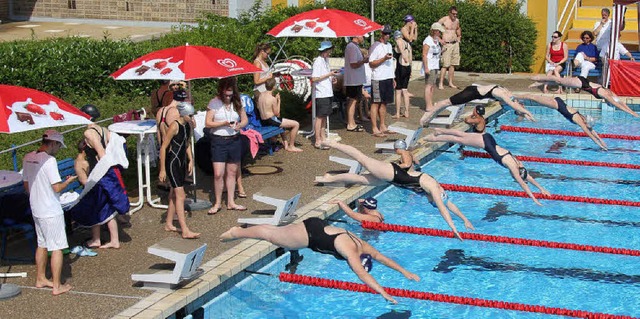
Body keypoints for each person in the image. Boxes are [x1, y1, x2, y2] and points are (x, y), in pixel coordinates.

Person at [219, 217, 420, 304]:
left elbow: (382, 258)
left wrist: (405, 272)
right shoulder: (351, 251)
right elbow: (362, 274)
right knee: (272, 236)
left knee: (279, 234)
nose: (354, 266)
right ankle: (239, 232)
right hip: (309, 235)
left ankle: (247, 230)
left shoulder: (363, 247)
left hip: (316, 228)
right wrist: (383, 292)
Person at [315, 140, 474, 240]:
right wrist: (453, 228)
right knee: (361, 157)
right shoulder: (433, 188)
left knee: (360, 179)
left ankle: (328, 179)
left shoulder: (437, 191)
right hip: (392, 173)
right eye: (433, 202)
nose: (430, 202)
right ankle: (330, 143)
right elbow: (442, 209)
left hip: (392, 179)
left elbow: (449, 205)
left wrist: (465, 220)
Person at [425, 128, 550, 206]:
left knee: (461, 134)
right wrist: (534, 199)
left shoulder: (518, 163)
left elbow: (528, 177)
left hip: (488, 138)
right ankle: (430, 138)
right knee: (459, 140)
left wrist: (541, 188)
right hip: (484, 143)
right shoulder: (513, 167)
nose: (514, 177)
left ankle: (439, 130)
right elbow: (523, 184)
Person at [22, 130, 76, 295]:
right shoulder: (50, 161)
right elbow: (56, 187)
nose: (59, 149)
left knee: (42, 243)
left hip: (36, 207)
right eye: (59, 145)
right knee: (57, 247)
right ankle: (57, 286)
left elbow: (26, 185)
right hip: (50, 209)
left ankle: (40, 278)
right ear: (53, 143)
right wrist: (68, 181)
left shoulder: (28, 157)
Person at [205, 76, 249, 214]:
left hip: (234, 139)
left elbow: (245, 119)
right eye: (226, 93)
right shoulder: (214, 103)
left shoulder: (237, 102)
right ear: (221, 91)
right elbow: (208, 123)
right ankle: (217, 202)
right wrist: (223, 123)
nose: (228, 96)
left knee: (232, 171)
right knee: (218, 173)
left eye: (230, 93)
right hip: (219, 140)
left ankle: (231, 201)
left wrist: (239, 125)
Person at [159, 102, 200, 239]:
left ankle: (169, 224)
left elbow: (186, 143)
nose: (192, 117)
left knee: (174, 195)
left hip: (181, 162)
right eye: (190, 115)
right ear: (183, 114)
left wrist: (191, 159)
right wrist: (162, 169)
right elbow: (164, 147)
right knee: (181, 196)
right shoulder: (174, 126)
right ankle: (185, 230)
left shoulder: (187, 126)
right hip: (172, 163)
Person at [515, 94, 607, 150]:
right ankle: (513, 96)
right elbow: (589, 133)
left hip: (559, 103)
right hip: (557, 104)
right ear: (586, 122)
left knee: (533, 98)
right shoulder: (579, 120)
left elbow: (591, 130)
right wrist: (598, 143)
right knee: (532, 97)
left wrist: (601, 140)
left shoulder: (582, 118)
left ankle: (518, 104)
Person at [419, 84, 535, 127]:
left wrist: (525, 114)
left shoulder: (508, 94)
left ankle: (430, 115)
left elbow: (515, 105)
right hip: (471, 94)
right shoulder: (504, 95)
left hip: (475, 91)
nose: (520, 105)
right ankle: (427, 114)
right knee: (446, 103)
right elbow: (514, 105)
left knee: (446, 104)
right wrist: (527, 112)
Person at [529, 75, 639, 118]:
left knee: (559, 82)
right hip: (582, 83)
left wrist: (633, 112)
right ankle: (534, 78)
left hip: (583, 82)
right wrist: (631, 113)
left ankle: (539, 82)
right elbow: (617, 104)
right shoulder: (606, 95)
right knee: (558, 80)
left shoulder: (610, 92)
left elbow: (621, 102)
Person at [258, 78, 303, 152]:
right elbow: (277, 113)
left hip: (263, 120)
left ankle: (285, 144)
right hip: (271, 120)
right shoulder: (272, 99)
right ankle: (291, 146)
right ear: (274, 87)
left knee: (282, 122)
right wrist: (278, 100)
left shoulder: (261, 95)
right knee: (296, 124)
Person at [311, 40, 340, 149]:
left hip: (327, 91)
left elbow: (325, 75)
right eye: (329, 51)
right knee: (319, 117)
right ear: (324, 51)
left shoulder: (325, 60)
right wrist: (329, 74)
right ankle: (317, 139)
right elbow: (314, 78)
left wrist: (332, 78)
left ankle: (323, 137)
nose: (330, 53)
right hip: (321, 93)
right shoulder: (318, 61)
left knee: (324, 116)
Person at [368, 24, 395, 137]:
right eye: (385, 33)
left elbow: (391, 63)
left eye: (389, 33)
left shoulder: (389, 45)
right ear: (381, 34)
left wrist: (393, 77)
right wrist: (384, 58)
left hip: (388, 78)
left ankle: (382, 125)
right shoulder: (375, 46)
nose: (387, 35)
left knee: (384, 103)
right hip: (378, 78)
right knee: (376, 103)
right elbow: (371, 63)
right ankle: (374, 128)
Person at [343, 35, 368, 132]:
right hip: (353, 80)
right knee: (352, 100)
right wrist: (363, 61)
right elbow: (353, 64)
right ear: (357, 36)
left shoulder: (355, 46)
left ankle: (352, 121)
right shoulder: (351, 47)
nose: (363, 38)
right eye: (362, 36)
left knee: (355, 100)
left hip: (357, 79)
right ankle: (350, 123)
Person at [422, 23, 445, 114]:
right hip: (430, 66)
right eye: (438, 31)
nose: (440, 33)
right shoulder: (428, 40)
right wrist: (426, 68)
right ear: (434, 31)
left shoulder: (435, 40)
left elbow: (436, 52)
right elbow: (424, 54)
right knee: (428, 85)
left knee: (432, 85)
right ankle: (428, 105)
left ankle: (430, 103)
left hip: (435, 65)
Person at [438, 6, 462, 90]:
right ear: (449, 13)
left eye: (456, 14)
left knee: (453, 64)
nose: (455, 15)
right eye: (453, 14)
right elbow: (434, 29)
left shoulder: (457, 21)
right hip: (447, 44)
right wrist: (439, 39)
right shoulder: (444, 20)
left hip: (455, 44)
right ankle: (440, 83)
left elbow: (458, 28)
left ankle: (450, 82)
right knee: (445, 65)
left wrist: (459, 37)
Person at [393, 30, 412, 119]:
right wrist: (410, 68)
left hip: (401, 67)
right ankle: (407, 112)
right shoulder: (408, 44)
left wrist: (404, 57)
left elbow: (400, 48)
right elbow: (410, 57)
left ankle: (397, 113)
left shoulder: (399, 41)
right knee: (405, 90)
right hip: (408, 67)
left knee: (398, 91)